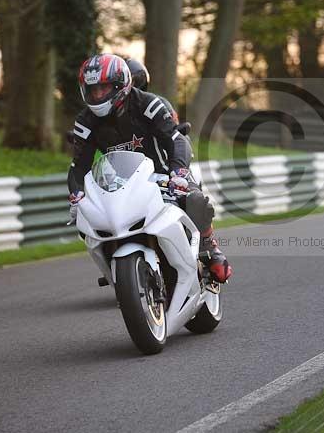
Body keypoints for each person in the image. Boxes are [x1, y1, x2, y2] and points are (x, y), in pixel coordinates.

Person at [67, 53, 233, 283]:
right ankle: (113, 260)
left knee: (194, 199)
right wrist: (76, 194)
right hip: (121, 182)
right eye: (93, 90)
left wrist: (179, 171)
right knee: (87, 215)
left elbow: (176, 139)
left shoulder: (148, 104)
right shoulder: (85, 121)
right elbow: (79, 166)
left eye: (103, 89)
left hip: (164, 174)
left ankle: (209, 246)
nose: (97, 95)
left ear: (119, 85)